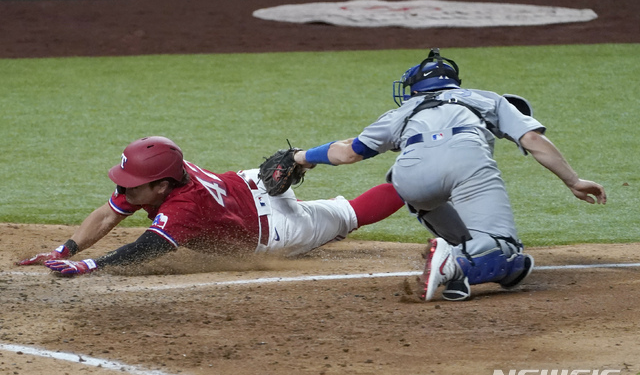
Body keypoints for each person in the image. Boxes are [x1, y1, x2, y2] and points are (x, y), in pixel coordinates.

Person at [287, 48, 607, 302]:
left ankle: (470, 265)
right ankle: (452, 262)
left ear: (415, 87)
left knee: (504, 258)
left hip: (410, 180)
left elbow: (347, 153)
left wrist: (301, 156)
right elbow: (532, 140)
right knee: (504, 247)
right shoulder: (486, 98)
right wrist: (573, 180)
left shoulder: (400, 113)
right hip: (469, 167)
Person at [17, 136, 404, 274]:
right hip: (253, 182)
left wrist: (91, 264)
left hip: (280, 231)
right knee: (331, 214)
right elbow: (107, 214)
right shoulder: (165, 170)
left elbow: (146, 248)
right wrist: (66, 249)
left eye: (133, 186)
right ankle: (304, 158)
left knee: (349, 215)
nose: (125, 192)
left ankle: (415, 182)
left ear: (162, 184)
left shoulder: (184, 206)